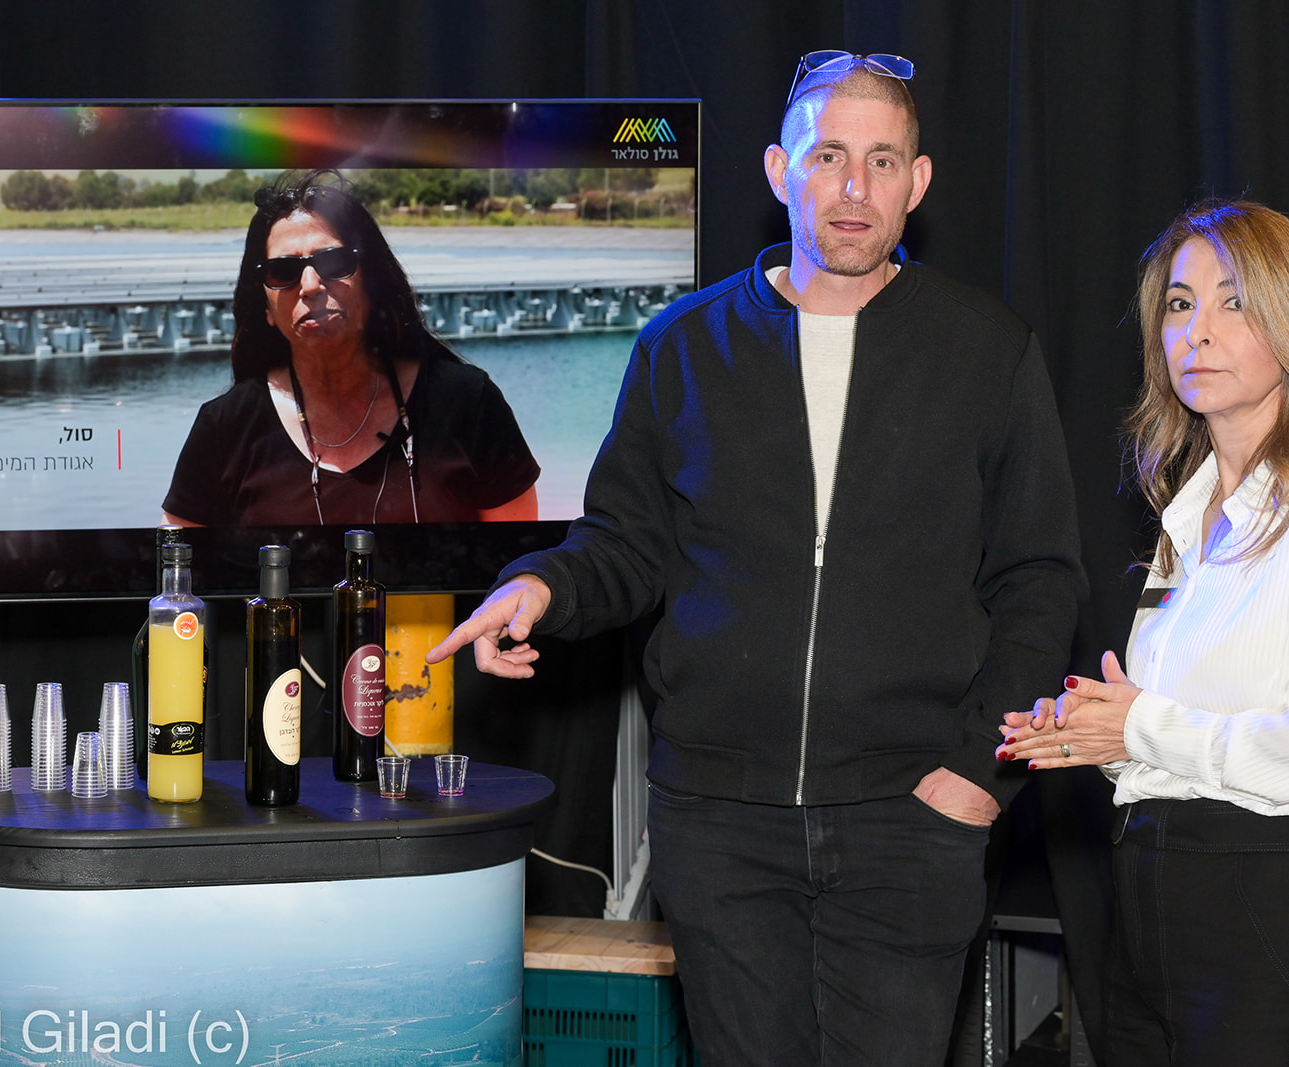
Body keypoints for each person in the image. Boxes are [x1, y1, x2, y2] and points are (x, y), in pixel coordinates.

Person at [428, 51, 1082, 1064]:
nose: (853, 186)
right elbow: (627, 541)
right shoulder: (682, 345)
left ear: (917, 182)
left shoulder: (988, 350)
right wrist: (540, 584)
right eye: (827, 156)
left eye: (881, 160)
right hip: (718, 823)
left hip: (911, 817)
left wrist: (973, 779)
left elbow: (1038, 579)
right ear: (780, 170)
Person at [999, 200, 1289, 1065]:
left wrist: (1145, 725)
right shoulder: (1188, 518)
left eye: (1235, 301)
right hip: (1151, 913)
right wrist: (1099, 735)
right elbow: (1186, 738)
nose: (1198, 330)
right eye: (1180, 304)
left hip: (1280, 918)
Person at [163, 169, 539, 526]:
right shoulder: (226, 428)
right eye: (283, 271)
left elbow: (522, 559)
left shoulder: (467, 404)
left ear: (372, 284)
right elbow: (173, 562)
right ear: (266, 309)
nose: (310, 285)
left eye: (333, 262)